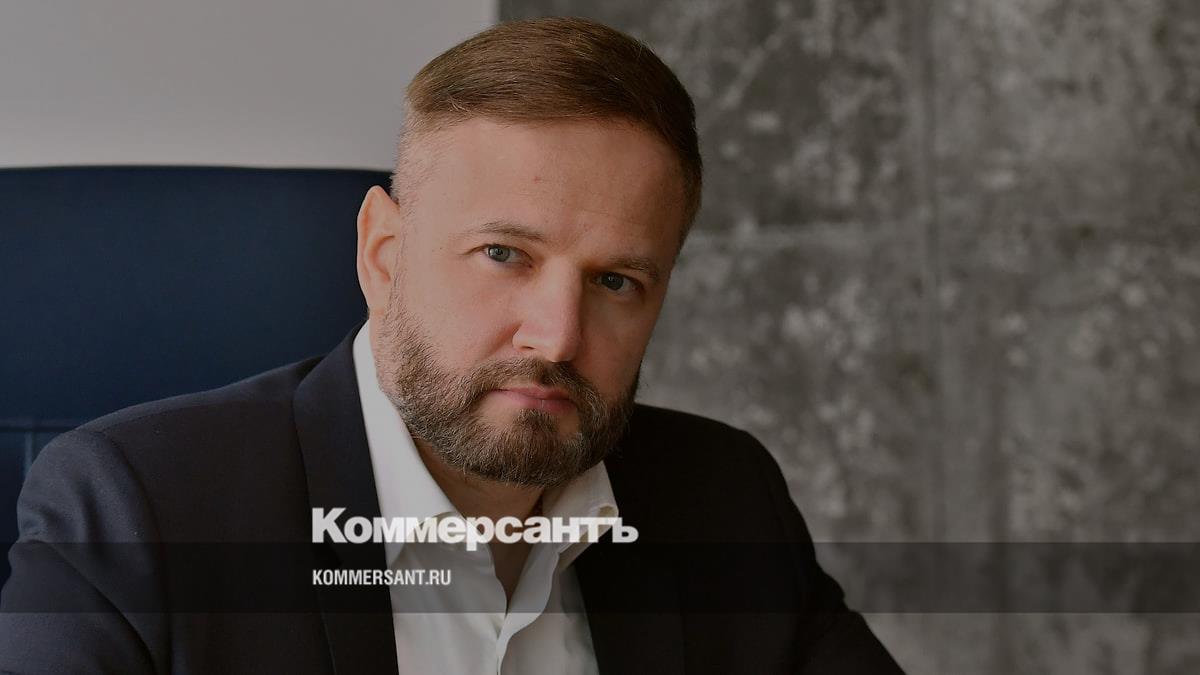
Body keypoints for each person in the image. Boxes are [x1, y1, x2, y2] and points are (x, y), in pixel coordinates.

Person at [0, 17, 902, 674]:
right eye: (504, 254)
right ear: (383, 254)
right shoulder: (136, 513)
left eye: (616, 280)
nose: (557, 336)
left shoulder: (725, 499)